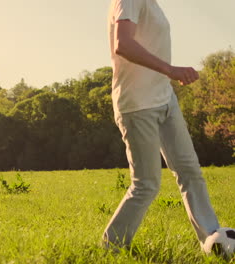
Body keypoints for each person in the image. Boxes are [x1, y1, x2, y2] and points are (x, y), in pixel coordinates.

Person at [104, 0, 220, 250]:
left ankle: (214, 240)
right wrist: (170, 70)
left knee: (190, 172)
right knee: (146, 184)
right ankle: (111, 246)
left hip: (164, 99)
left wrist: (167, 78)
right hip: (137, 104)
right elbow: (123, 44)